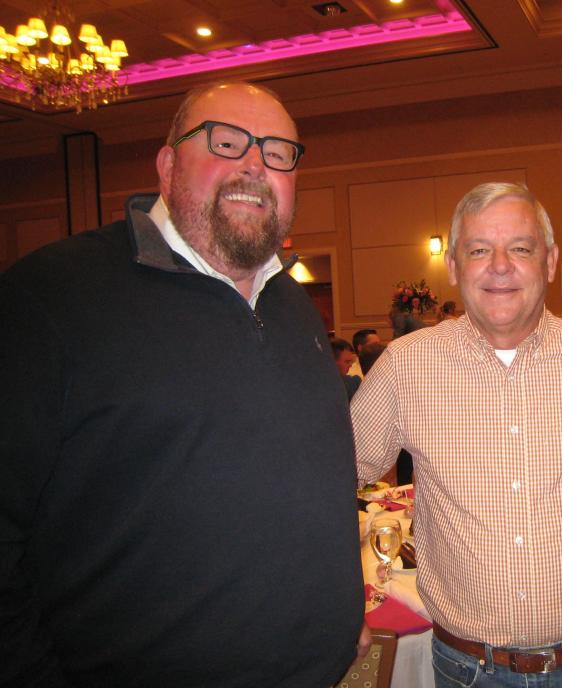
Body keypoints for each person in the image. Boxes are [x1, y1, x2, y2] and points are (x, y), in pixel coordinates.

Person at [0, 82, 364, 687]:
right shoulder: (49, 299)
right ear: (168, 165)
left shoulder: (291, 303)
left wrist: (340, 603)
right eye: (227, 142)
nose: (255, 163)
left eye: (278, 152)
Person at [352, 182, 562, 687]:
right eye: (479, 250)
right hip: (465, 669)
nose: (500, 265)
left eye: (520, 248)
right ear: (454, 266)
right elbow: (330, 478)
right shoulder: (405, 367)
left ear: (549, 261)